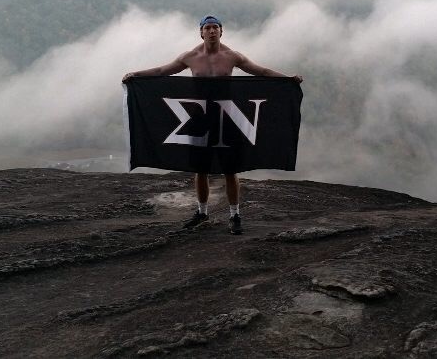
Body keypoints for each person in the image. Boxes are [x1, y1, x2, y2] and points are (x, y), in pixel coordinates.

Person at [122, 15, 302, 235]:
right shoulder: (190, 57)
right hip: (199, 118)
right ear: (201, 32)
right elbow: (161, 72)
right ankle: (202, 212)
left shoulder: (232, 56)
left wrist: (288, 79)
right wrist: (136, 75)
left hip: (228, 117)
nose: (212, 31)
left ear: (221, 31)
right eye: (207, 28)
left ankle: (235, 215)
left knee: (230, 169)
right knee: (200, 169)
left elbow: (262, 72)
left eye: (215, 27)